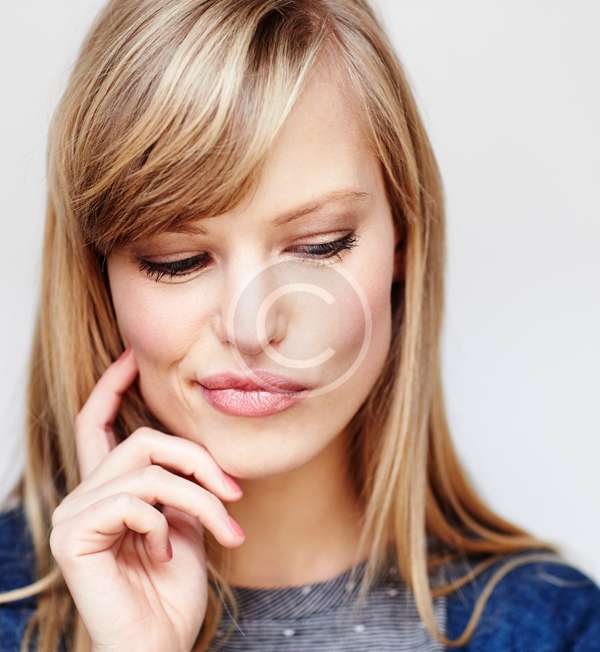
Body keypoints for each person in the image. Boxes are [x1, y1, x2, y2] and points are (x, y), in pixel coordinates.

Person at [1, 1, 599, 651]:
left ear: (401, 239)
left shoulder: (560, 628)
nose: (251, 327)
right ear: (101, 273)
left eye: (318, 246)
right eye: (177, 260)